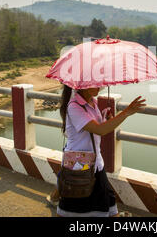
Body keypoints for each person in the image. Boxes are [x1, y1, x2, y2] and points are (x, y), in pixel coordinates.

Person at [56, 85, 146, 217]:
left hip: (96, 161)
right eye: (93, 84)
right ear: (82, 85)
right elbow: (100, 130)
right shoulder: (74, 107)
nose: (99, 87)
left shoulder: (93, 101)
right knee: (71, 206)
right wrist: (126, 112)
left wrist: (106, 118)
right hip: (80, 164)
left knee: (107, 200)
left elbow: (98, 127)